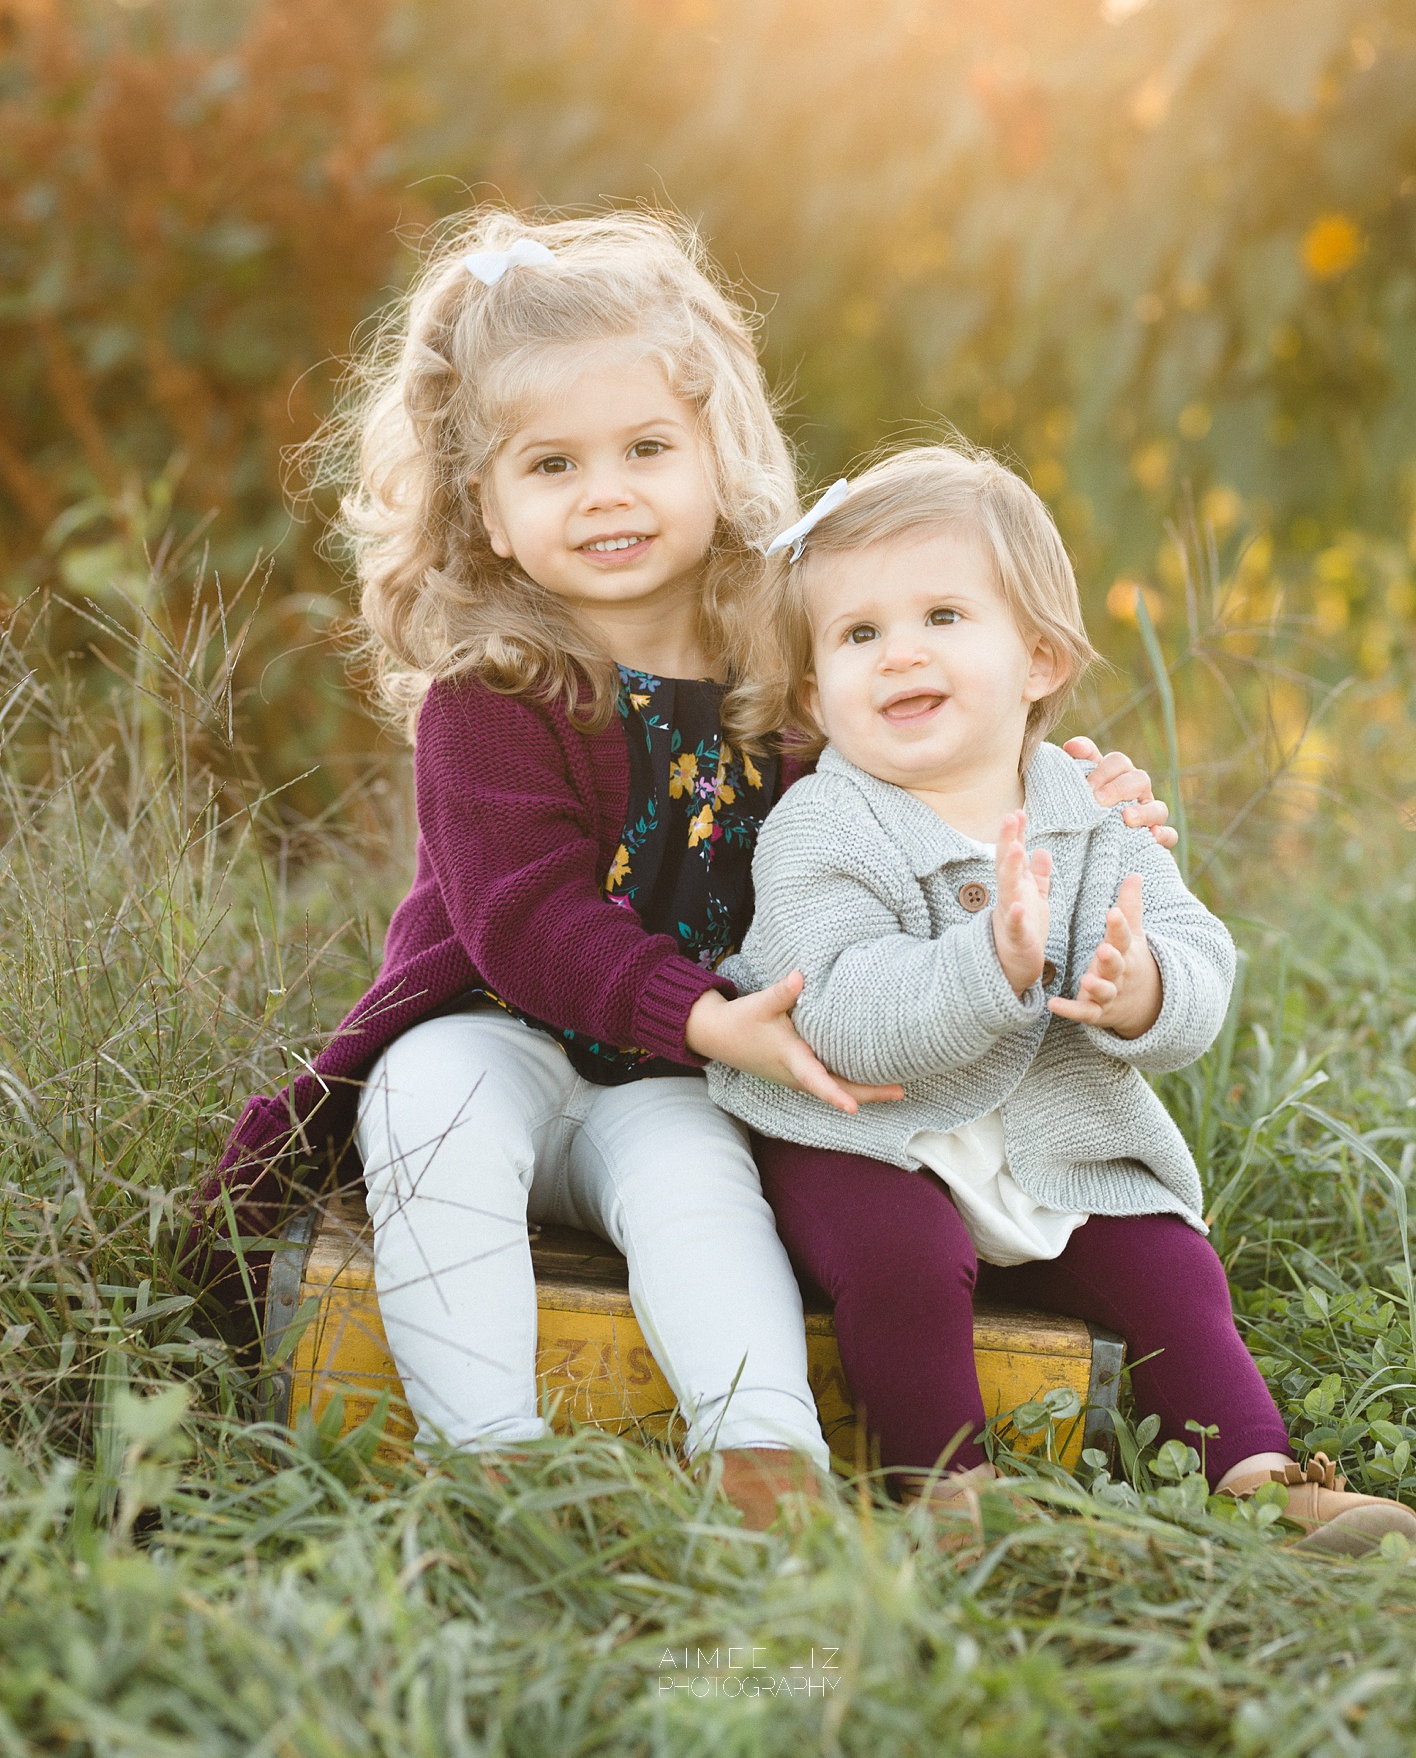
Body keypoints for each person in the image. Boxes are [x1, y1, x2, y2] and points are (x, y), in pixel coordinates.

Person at [199, 213, 1173, 1529]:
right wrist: (715, 1016)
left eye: (647, 449)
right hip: (499, 1035)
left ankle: (763, 1457)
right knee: (429, 1124)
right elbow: (524, 921)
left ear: (717, 454)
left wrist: (1066, 797)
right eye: (552, 463)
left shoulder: (785, 661)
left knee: (700, 1195)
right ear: (479, 505)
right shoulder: (493, 694)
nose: (608, 492)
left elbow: (923, 772)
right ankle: (488, 1456)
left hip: (685, 1076)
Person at [709, 445, 1416, 1554]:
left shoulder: (1085, 807)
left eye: (943, 615)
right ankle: (947, 1493)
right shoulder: (821, 826)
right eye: (858, 636)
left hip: (1055, 1136)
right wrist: (983, 969)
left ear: (1039, 656)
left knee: (1168, 1263)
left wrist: (1142, 992)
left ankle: (1256, 1472)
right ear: (814, 692)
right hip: (865, 1131)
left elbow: (1196, 951)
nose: (900, 654)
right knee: (898, 1264)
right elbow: (834, 1003)